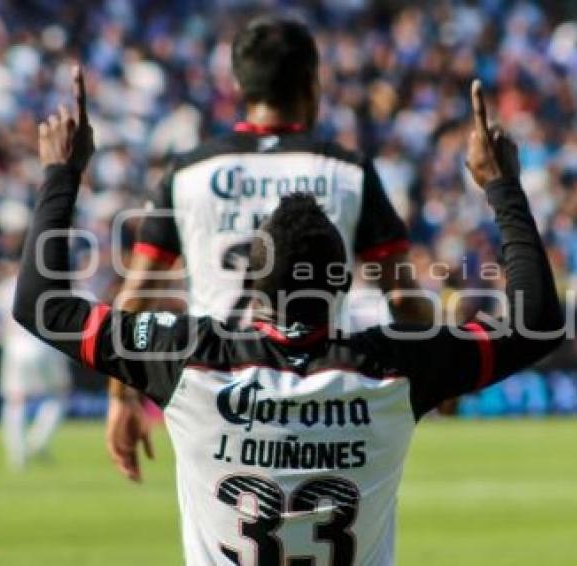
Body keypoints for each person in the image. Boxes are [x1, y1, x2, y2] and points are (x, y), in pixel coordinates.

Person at [13, 66, 563, 564]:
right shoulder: (397, 364)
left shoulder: (184, 357)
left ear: (252, 288)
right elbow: (537, 320)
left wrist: (63, 173)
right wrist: (502, 185)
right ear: (345, 281)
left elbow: (42, 305)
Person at [106, 16, 433, 482]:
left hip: (215, 396)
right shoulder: (347, 171)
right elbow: (402, 299)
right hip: (319, 396)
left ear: (239, 84)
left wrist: (121, 399)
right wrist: (437, 372)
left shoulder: (189, 173)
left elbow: (134, 301)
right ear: (311, 82)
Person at [0, 265, 70, 470]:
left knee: (15, 401)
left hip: (15, 346)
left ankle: (17, 456)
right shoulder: (50, 283)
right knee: (59, 395)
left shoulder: (3, 288)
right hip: (45, 345)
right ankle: (38, 441)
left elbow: (0, 324)